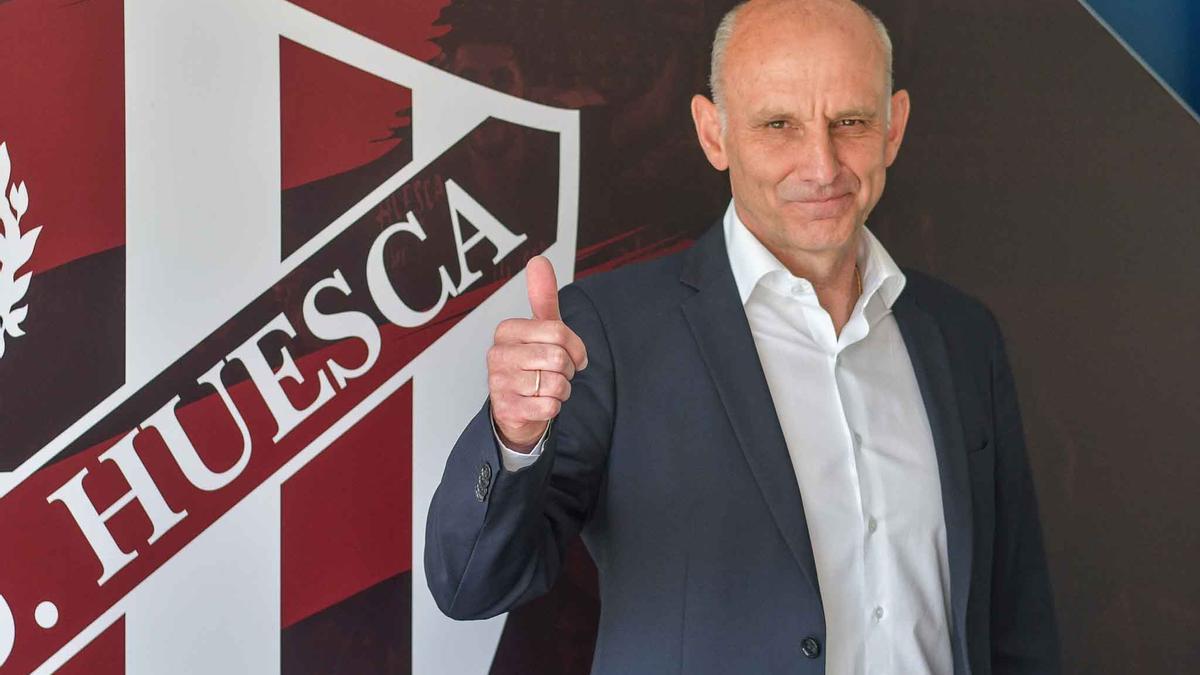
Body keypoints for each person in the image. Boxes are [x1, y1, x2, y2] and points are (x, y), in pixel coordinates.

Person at [425, 1, 1061, 673]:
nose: (822, 165)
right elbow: (472, 584)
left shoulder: (963, 336)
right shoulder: (610, 332)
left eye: (850, 121)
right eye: (779, 124)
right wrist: (514, 437)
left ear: (894, 126)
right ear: (713, 133)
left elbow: (1016, 622)